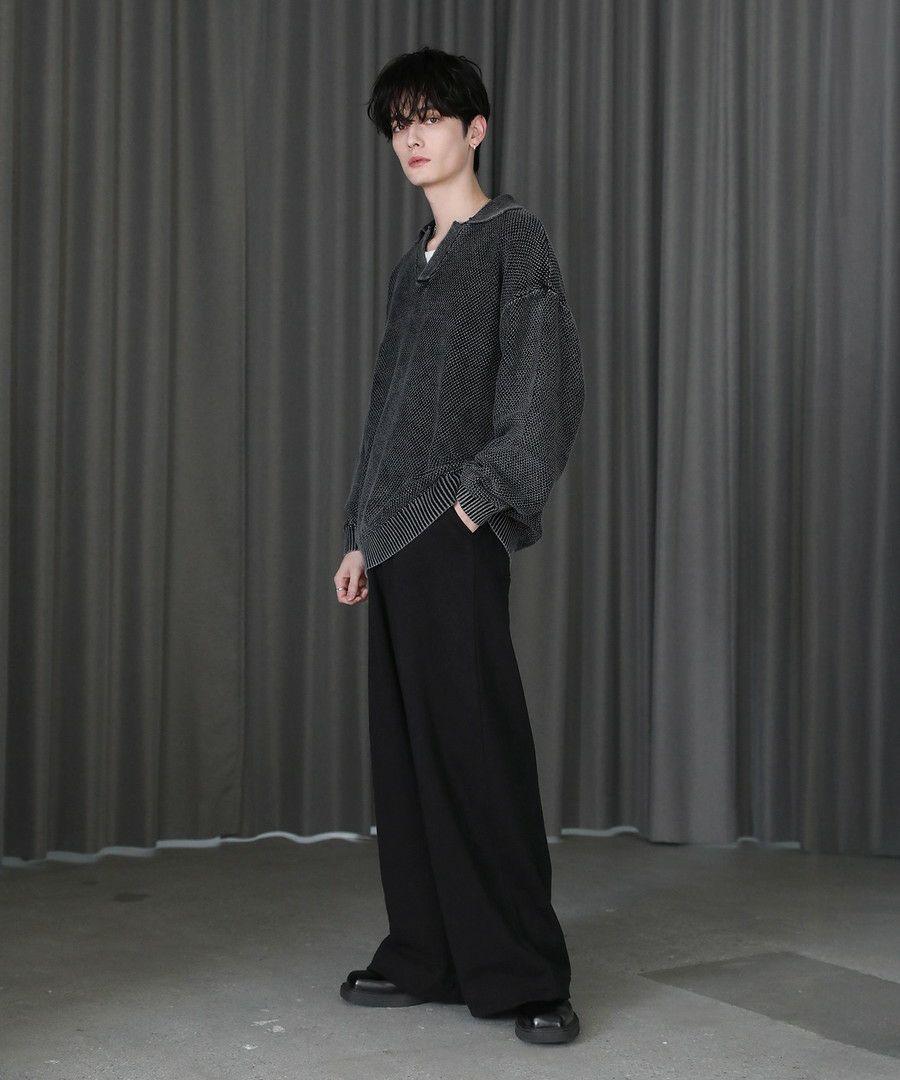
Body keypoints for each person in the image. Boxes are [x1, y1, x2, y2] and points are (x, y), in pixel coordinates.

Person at [333, 45, 585, 1045]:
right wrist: (358, 534)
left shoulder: (511, 239)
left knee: (478, 750)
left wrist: (480, 500)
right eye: (399, 124)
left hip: (451, 527)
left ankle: (527, 974)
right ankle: (428, 954)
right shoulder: (415, 265)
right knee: (408, 761)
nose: (413, 138)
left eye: (430, 119)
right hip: (393, 540)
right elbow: (389, 410)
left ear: (474, 129)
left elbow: (546, 380)